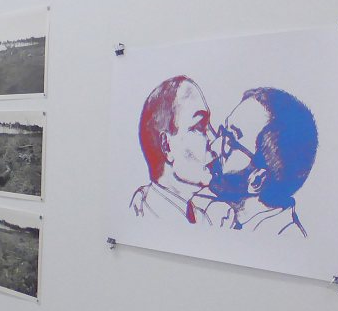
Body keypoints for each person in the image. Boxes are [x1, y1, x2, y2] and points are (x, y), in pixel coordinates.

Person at [203, 87, 318, 236]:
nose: (213, 146)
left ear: (257, 180)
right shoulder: (219, 216)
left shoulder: (280, 238)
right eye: (221, 132)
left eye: (229, 141)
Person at [130, 75, 217, 223]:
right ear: (167, 146)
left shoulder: (203, 219)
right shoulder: (141, 215)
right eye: (200, 127)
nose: (214, 140)